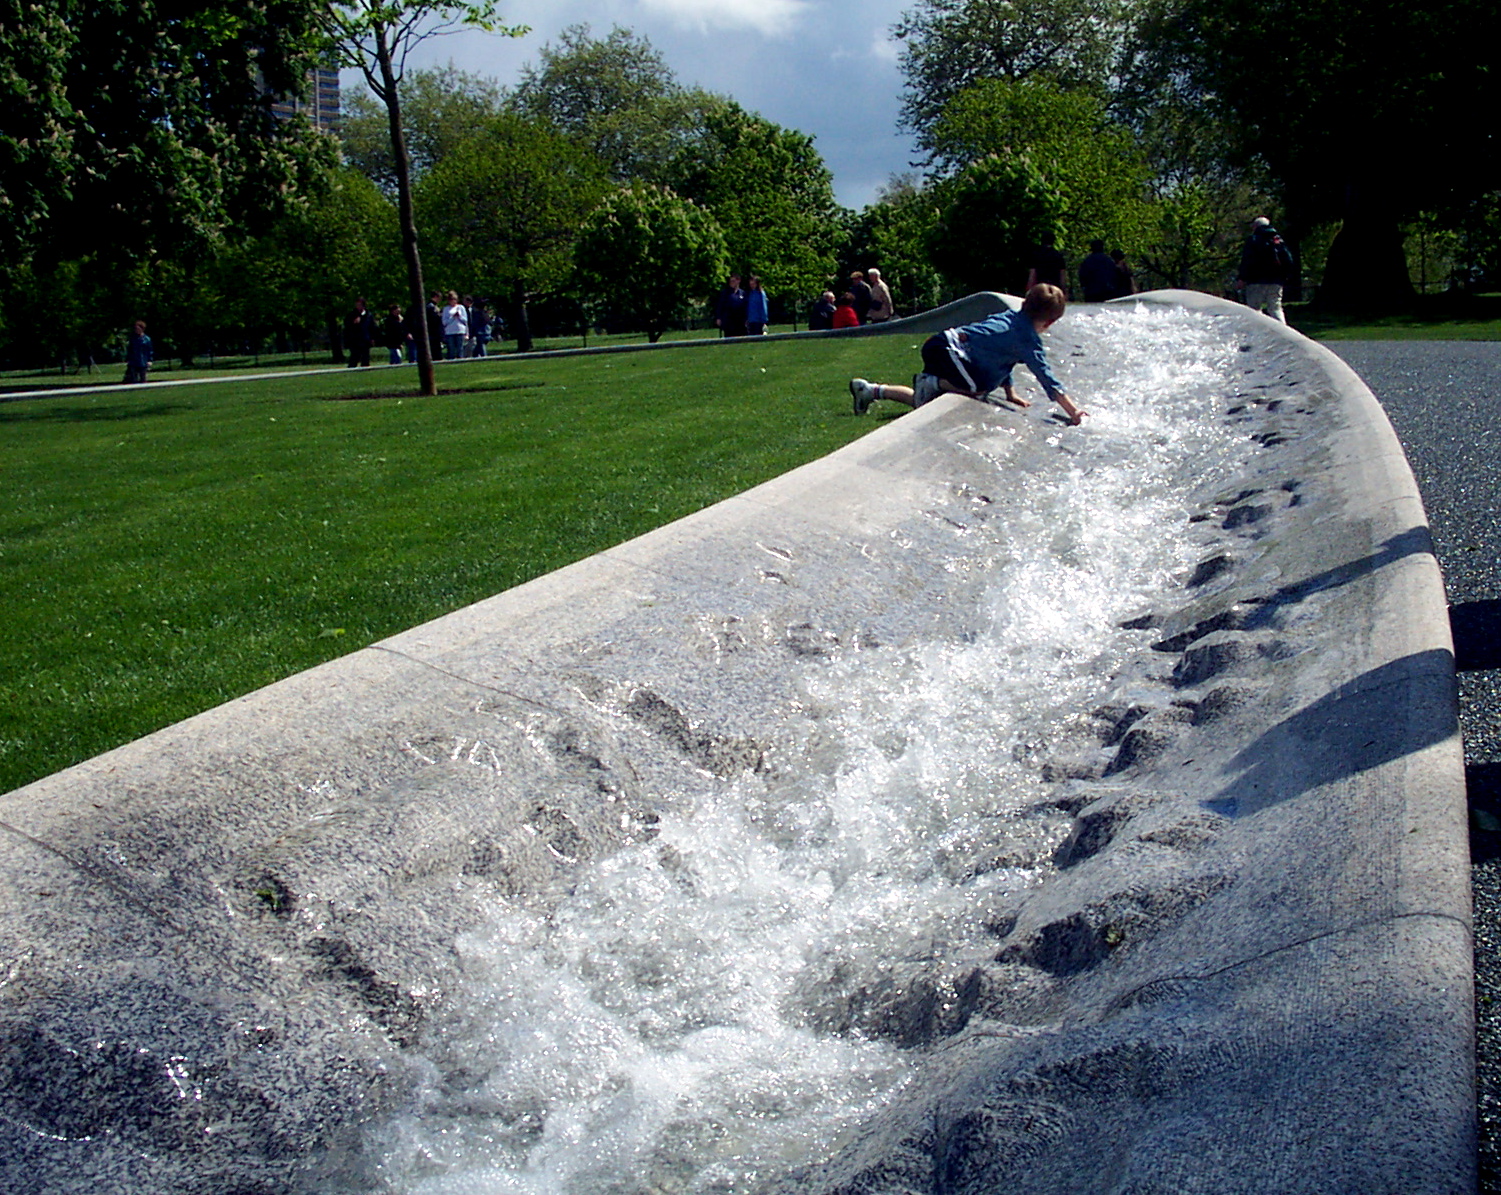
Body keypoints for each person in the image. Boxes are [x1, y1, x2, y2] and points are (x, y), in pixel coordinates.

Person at [849, 283, 1086, 426]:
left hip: (943, 346)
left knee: (924, 402)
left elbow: (1004, 361)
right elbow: (1047, 380)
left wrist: (1010, 393)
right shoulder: (1028, 339)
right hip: (948, 350)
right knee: (979, 388)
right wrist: (1073, 411)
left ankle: (871, 390)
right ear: (1050, 321)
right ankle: (931, 382)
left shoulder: (1012, 318)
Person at [1236, 216, 1293, 324]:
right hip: (1276, 280)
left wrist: (1242, 278)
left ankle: (1258, 333)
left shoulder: (1253, 239)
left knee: (1254, 309)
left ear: (1256, 226)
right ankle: (1283, 332)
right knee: (1275, 308)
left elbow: (1247, 260)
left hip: (1256, 281)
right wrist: (1284, 276)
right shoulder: (1277, 240)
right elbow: (1288, 259)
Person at [345, 298, 375, 368]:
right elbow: (347, 326)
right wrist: (353, 323)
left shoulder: (368, 315)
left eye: (359, 305)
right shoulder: (352, 315)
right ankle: (351, 369)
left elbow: (372, 327)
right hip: (355, 339)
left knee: (365, 357)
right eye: (357, 305)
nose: (358, 306)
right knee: (354, 356)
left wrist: (372, 338)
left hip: (365, 339)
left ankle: (365, 369)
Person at [441, 290, 468, 360]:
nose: (453, 301)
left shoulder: (461, 307)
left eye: (454, 299)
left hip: (460, 331)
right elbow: (444, 322)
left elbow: (465, 320)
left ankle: (460, 359)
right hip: (450, 332)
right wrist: (452, 317)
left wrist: (459, 316)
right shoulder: (446, 309)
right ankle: (451, 360)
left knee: (460, 348)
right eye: (451, 300)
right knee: (451, 348)